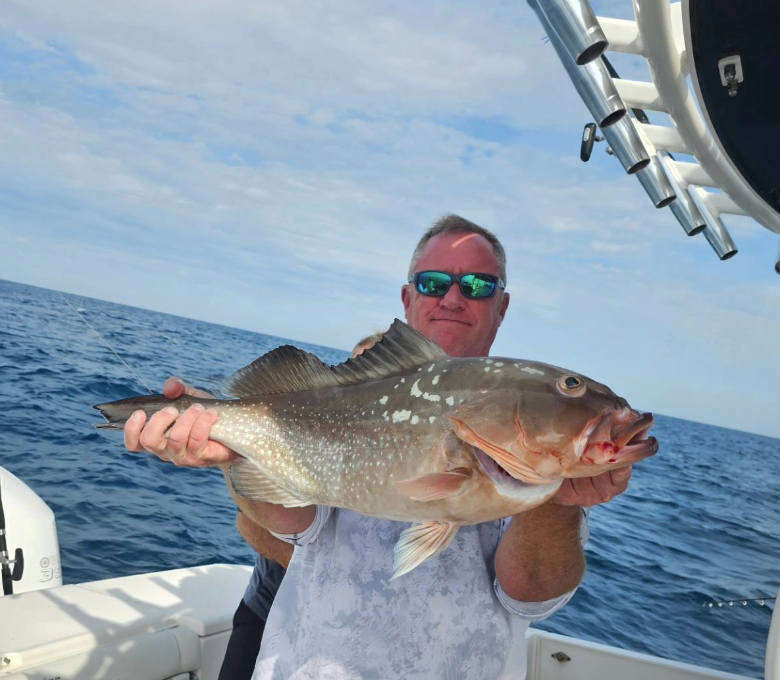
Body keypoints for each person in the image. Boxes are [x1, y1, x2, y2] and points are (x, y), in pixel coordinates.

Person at [125, 215, 632, 679]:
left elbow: (530, 598)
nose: (453, 298)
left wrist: (557, 501)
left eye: (478, 285)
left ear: (501, 307)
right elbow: (292, 526)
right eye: (434, 283)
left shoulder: (558, 468)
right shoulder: (347, 390)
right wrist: (227, 446)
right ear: (408, 298)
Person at [218, 331, 384, 680]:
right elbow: (247, 525)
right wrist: (228, 448)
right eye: (351, 376)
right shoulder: (313, 446)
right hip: (266, 607)